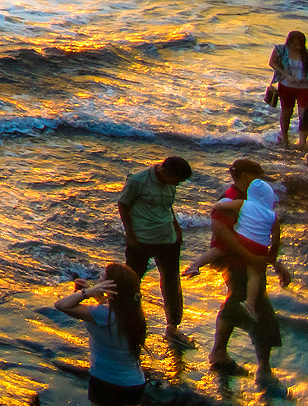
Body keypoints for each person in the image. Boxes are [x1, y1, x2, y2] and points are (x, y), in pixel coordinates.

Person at [193, 159, 287, 382]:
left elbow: (263, 237)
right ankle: (260, 367)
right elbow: (218, 229)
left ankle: (223, 353)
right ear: (245, 176)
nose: (261, 182)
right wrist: (251, 257)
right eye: (258, 176)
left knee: (241, 302)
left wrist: (275, 263)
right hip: (237, 263)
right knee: (255, 308)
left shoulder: (247, 199)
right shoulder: (232, 198)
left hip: (248, 262)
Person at [118, 156, 192, 344]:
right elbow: (123, 205)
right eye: (177, 180)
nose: (178, 184)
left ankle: (173, 327)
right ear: (165, 172)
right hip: (142, 239)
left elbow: (168, 207)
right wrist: (130, 235)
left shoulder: (171, 183)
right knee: (132, 281)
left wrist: (176, 227)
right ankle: (124, 322)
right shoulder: (138, 181)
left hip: (168, 239)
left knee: (171, 282)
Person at [52, 262, 148, 406]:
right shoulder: (135, 313)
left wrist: (86, 293)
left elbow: (61, 305)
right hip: (134, 382)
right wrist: (96, 296)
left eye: (103, 276)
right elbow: (110, 312)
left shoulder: (102, 314)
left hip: (106, 380)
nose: (98, 277)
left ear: (110, 286)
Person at [273, 30, 308, 144]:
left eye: (300, 44)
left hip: (304, 88)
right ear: (289, 42)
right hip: (286, 85)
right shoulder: (281, 50)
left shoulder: (306, 54)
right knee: (286, 112)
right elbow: (272, 63)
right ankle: (284, 136)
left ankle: (302, 141)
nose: (298, 47)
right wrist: (286, 75)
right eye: (295, 44)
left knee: (304, 114)